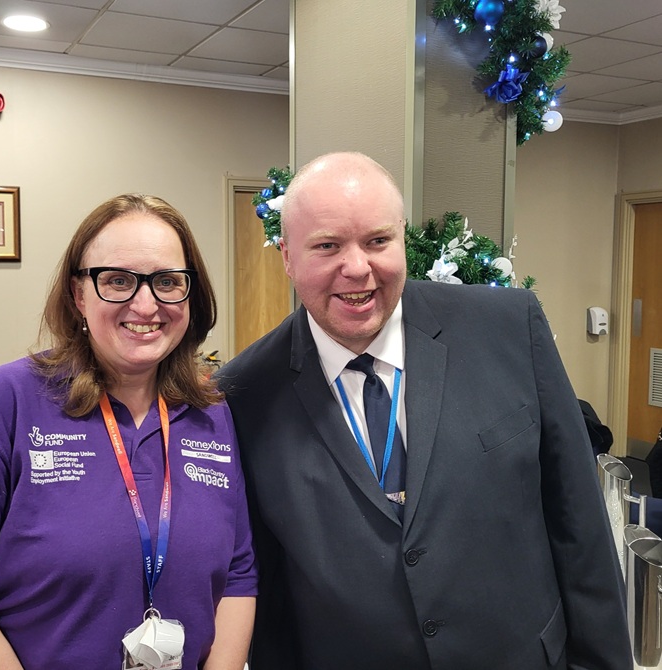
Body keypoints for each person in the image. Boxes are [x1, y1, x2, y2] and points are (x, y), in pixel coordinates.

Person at [217, 152, 631, 669]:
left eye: (377, 241)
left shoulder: (507, 326)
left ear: (401, 238)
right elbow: (265, 582)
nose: (357, 267)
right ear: (286, 257)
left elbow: (579, 524)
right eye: (327, 246)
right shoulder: (243, 393)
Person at [0, 194, 256, 669]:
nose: (146, 304)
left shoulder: (211, 414)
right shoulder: (9, 400)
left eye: (168, 281)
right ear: (78, 295)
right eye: (118, 280)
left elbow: (239, 574)